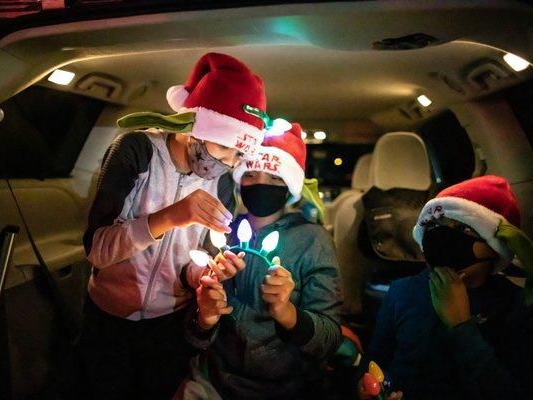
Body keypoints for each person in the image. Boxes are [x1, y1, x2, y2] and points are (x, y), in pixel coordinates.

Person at [75, 52, 268, 399]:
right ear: (193, 126)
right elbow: (97, 251)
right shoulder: (136, 151)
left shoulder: (222, 183)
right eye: (223, 146)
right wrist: (170, 217)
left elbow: (194, 268)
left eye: (237, 156)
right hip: (108, 318)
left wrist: (212, 273)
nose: (225, 163)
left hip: (169, 325)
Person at [179, 123, 343, 399]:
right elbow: (192, 334)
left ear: (290, 186)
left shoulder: (313, 241)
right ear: (239, 180)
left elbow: (329, 339)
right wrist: (204, 319)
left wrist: (288, 314)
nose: (261, 184)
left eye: (275, 178)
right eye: (251, 174)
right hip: (212, 381)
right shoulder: (220, 232)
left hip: (286, 389)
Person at [359, 175, 533, 400]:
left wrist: (461, 326)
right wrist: (365, 385)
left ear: (492, 247)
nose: (440, 235)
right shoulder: (402, 291)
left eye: (461, 227)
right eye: (433, 225)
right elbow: (376, 358)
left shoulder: (514, 306)